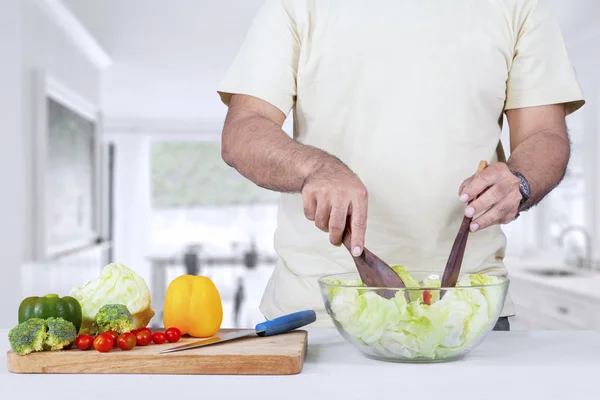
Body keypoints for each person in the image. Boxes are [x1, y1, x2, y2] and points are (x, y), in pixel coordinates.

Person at [217, 0, 585, 329]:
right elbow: (243, 130)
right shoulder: (295, 6)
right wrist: (315, 167)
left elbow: (544, 136)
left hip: (470, 313)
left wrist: (518, 182)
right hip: (318, 313)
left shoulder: (521, 7)